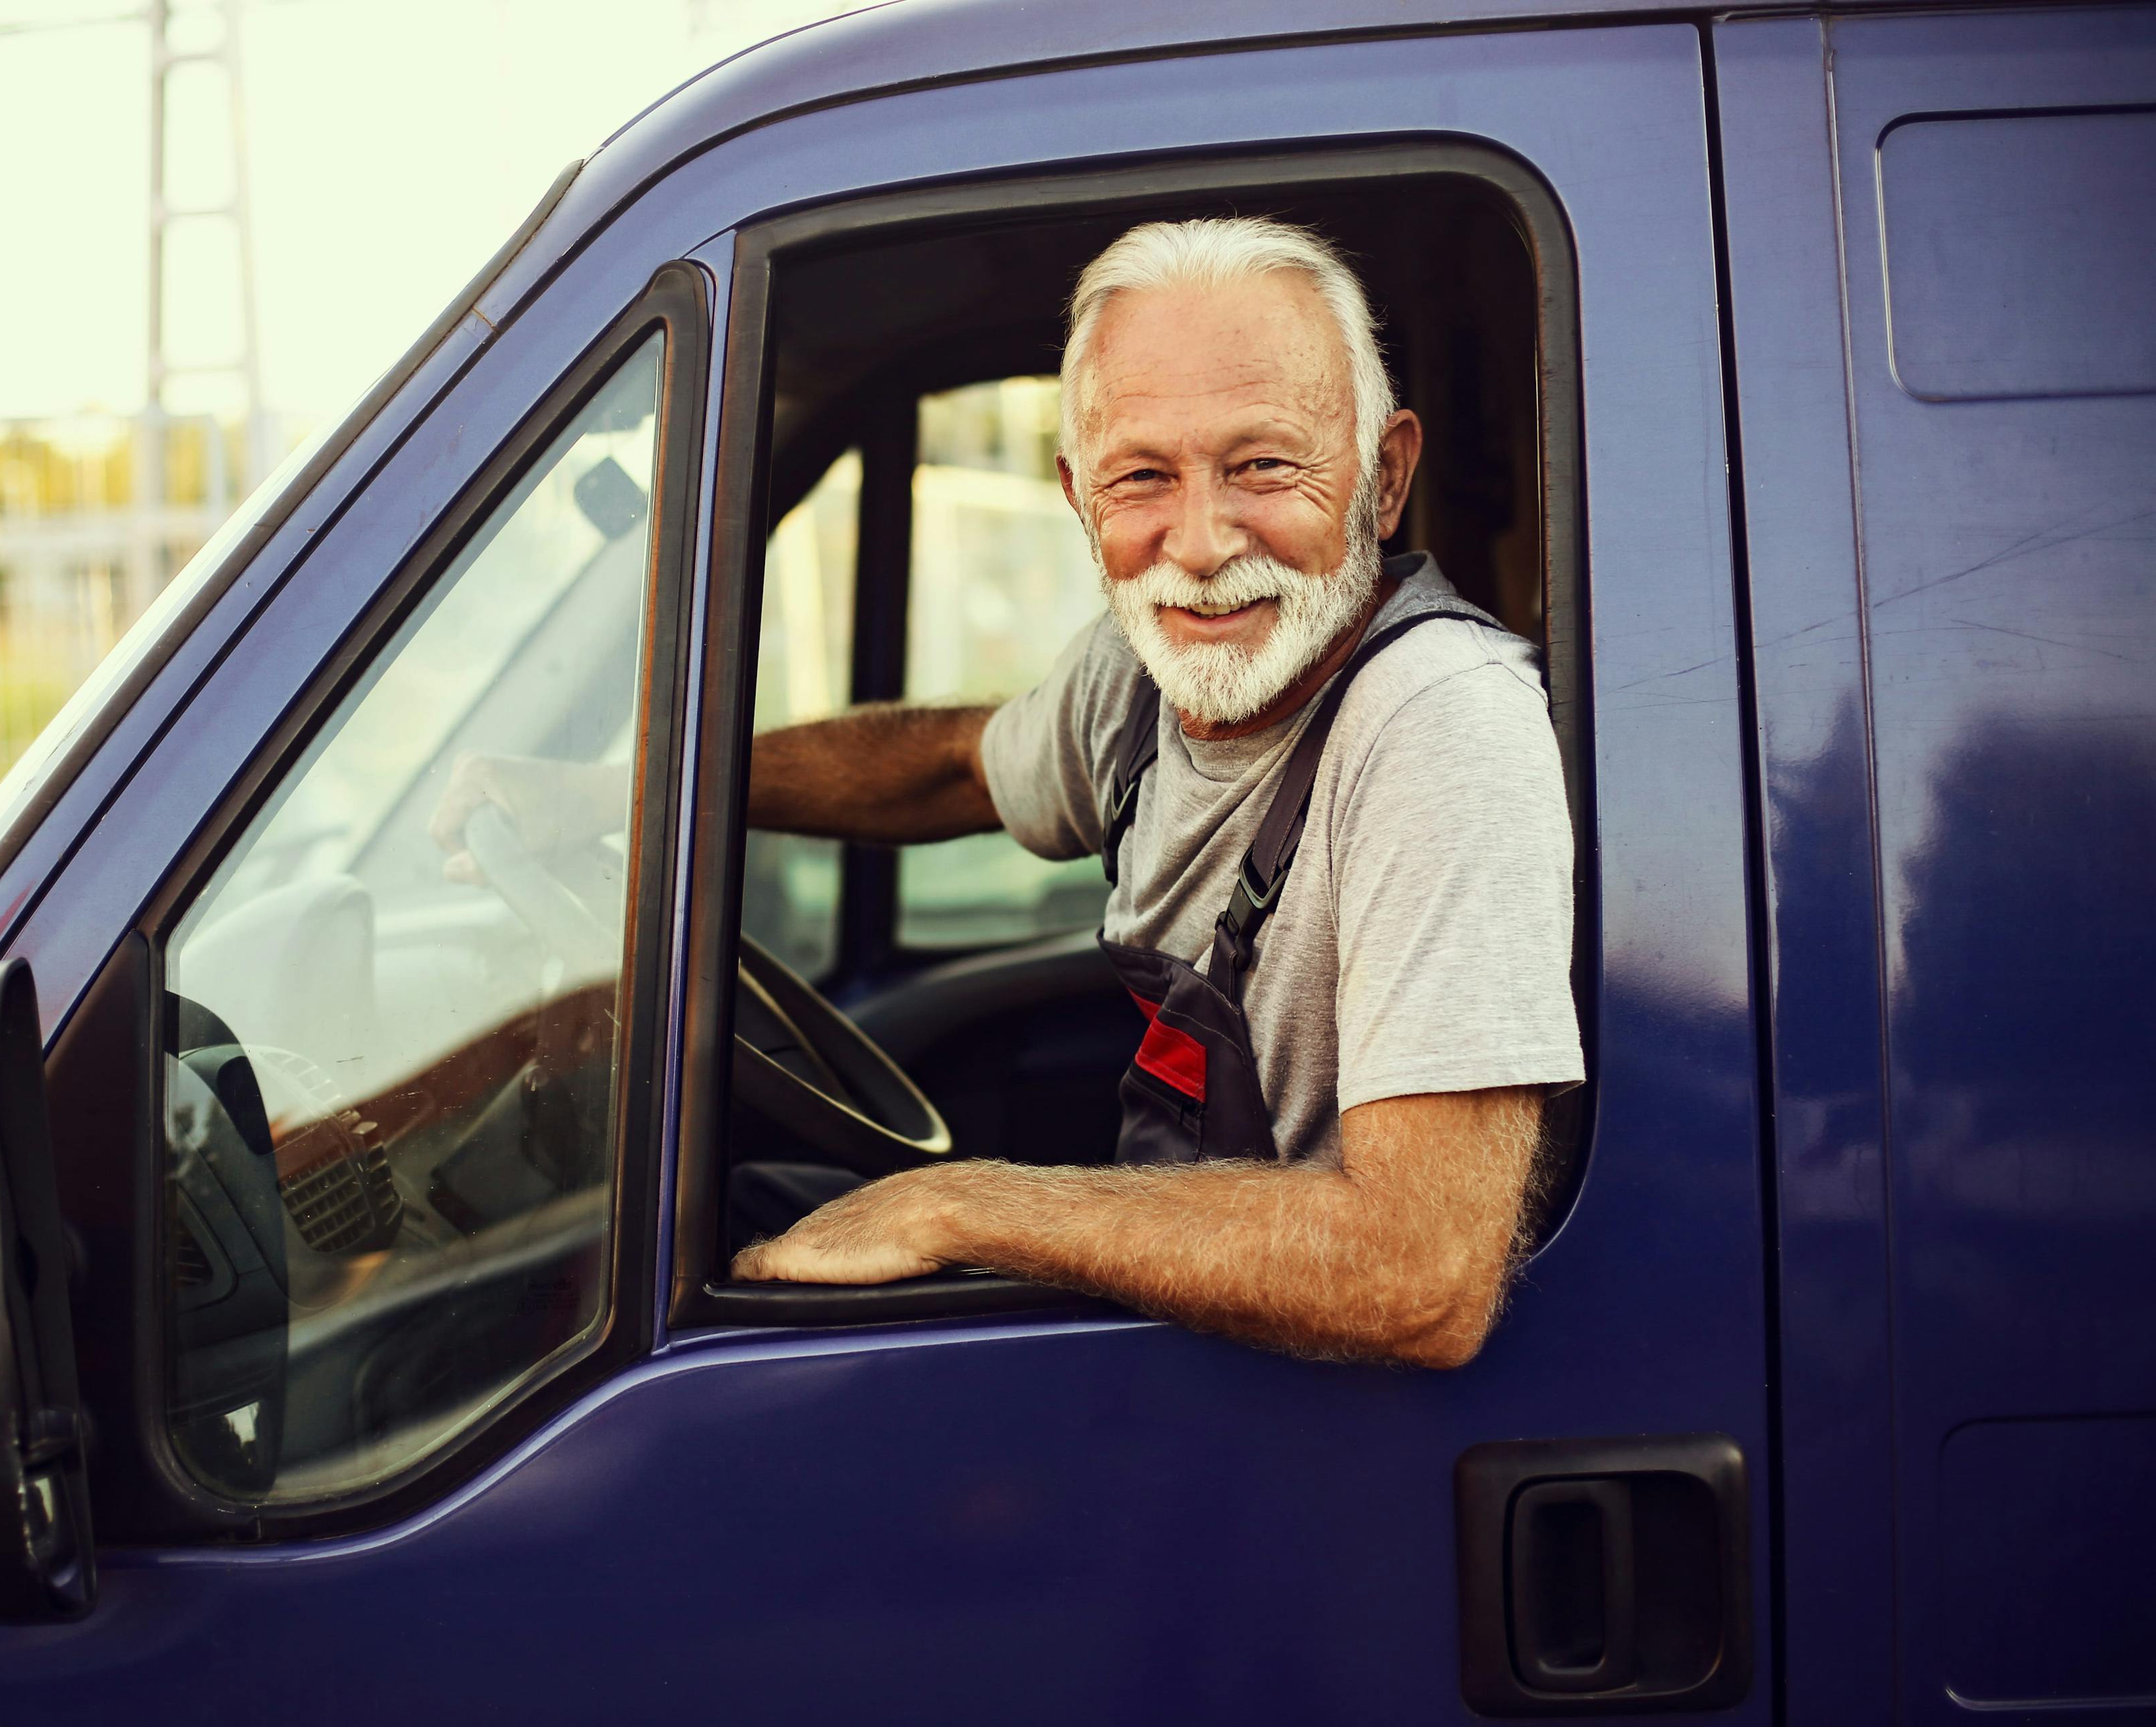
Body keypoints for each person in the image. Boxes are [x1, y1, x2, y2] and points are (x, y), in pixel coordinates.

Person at [443, 217, 1583, 1368]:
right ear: (1079, 498)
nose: (1199, 540)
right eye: (1143, 477)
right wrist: (612, 797)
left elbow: (1419, 1274)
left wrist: (953, 1209)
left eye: (1265, 464)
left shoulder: (1442, 729)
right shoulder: (1143, 675)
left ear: (1382, 480)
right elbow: (944, 767)